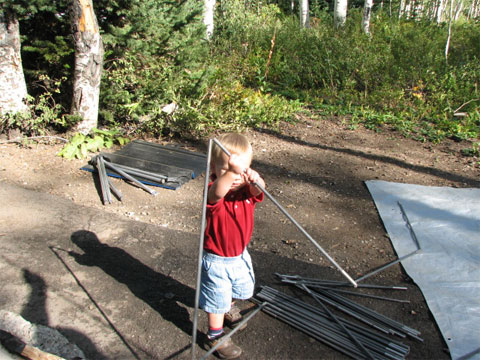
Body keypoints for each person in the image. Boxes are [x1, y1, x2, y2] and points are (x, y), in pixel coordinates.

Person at [200, 133, 265, 359]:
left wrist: (254, 179)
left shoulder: (246, 191)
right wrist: (232, 173)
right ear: (213, 168)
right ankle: (215, 337)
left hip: (239, 256)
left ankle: (228, 306)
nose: (235, 176)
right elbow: (218, 190)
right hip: (216, 260)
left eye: (241, 169)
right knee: (215, 300)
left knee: (243, 289)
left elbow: (260, 190)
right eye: (226, 169)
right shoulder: (213, 191)